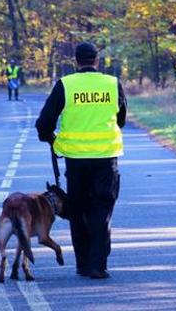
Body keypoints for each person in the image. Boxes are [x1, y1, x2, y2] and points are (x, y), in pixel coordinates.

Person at [35, 42, 127, 279]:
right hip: (106, 159)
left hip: (76, 160)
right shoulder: (112, 84)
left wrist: (50, 139)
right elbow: (121, 119)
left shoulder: (66, 85)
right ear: (97, 60)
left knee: (79, 210)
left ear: (76, 61)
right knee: (102, 210)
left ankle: (83, 264)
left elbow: (44, 123)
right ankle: (98, 265)